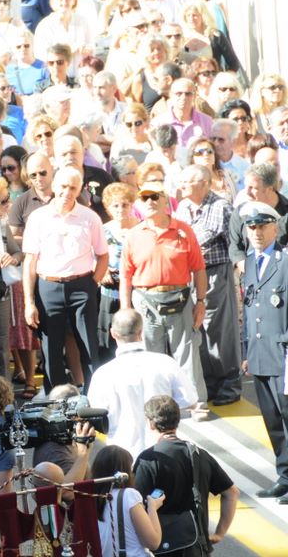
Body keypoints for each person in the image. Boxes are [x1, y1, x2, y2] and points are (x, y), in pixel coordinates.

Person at [121, 180, 209, 419]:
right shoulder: (134, 235)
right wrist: (125, 309)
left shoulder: (183, 230)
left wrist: (201, 301)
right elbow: (126, 276)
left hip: (180, 296)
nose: (149, 202)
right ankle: (156, 407)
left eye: (155, 196)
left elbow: (199, 269)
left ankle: (195, 403)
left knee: (187, 353)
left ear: (165, 200)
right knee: (150, 355)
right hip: (145, 300)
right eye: (145, 197)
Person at [22, 167, 108, 391]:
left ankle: (94, 396)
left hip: (82, 286)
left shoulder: (90, 217)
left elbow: (103, 255)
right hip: (48, 287)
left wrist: (92, 284)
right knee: (51, 350)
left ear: (79, 190)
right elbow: (30, 261)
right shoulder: (38, 218)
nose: (67, 192)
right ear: (54, 186)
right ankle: (55, 402)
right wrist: (29, 303)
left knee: (89, 347)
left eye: (73, 188)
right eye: (63, 186)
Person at [133, 395, 239, 554]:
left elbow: (135, 505)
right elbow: (231, 493)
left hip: (163, 549)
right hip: (198, 547)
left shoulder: (148, 459)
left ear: (150, 423)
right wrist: (219, 533)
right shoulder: (199, 455)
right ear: (178, 420)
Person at [87, 309, 198, 458]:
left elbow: (95, 414)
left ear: (113, 333)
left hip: (123, 455)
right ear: (141, 331)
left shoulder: (103, 374)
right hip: (164, 452)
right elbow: (190, 401)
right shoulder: (165, 363)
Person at [173, 165, 240, 406]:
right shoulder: (182, 207)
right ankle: (209, 384)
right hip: (189, 276)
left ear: (203, 184)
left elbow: (235, 244)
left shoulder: (221, 207)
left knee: (219, 331)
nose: (181, 186)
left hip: (215, 273)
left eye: (187, 182)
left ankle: (229, 385)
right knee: (197, 329)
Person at [238, 201, 288, 502]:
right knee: (272, 419)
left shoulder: (285, 261)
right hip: (260, 353)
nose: (256, 232)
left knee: (287, 415)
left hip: (283, 353)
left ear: (275, 227)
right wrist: (247, 352)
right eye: (251, 227)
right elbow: (249, 310)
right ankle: (285, 475)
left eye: (262, 226)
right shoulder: (250, 262)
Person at [93, 445, 164, 557]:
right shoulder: (128, 495)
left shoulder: (91, 497)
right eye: (130, 468)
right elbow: (153, 542)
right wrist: (152, 508)